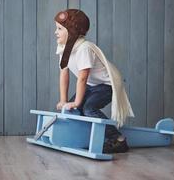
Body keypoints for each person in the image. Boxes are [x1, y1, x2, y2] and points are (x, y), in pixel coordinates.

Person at [54, 9, 134, 153]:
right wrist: (63, 100)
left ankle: (118, 139)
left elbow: (82, 78)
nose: (55, 32)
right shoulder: (63, 49)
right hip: (91, 85)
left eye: (60, 29)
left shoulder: (84, 48)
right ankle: (86, 137)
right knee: (72, 109)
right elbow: (63, 74)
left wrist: (77, 102)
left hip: (106, 85)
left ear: (72, 31)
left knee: (88, 109)